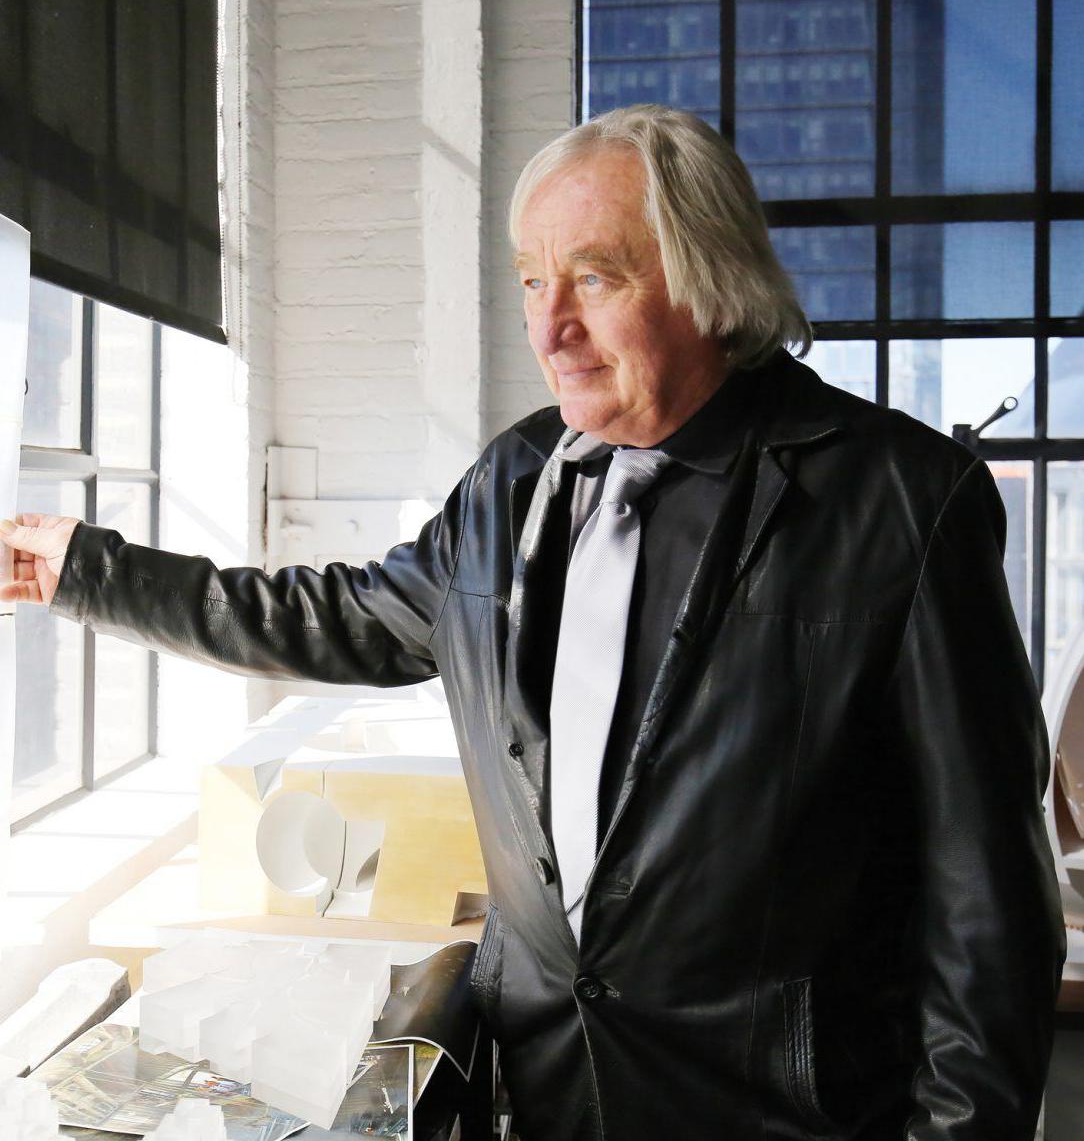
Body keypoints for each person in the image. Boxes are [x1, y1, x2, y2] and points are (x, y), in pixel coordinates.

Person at [0, 104, 1066, 1141]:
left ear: (711, 277)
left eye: (595, 277)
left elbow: (987, 900)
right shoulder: (515, 480)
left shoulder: (901, 499)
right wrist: (85, 573)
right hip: (556, 1082)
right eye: (529, 281)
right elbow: (337, 620)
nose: (548, 326)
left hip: (783, 1106)